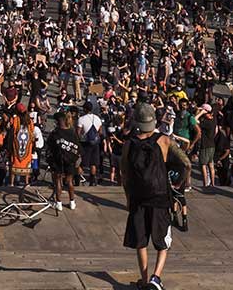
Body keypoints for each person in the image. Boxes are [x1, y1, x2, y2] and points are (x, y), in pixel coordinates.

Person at [120, 103, 190, 290]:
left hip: (137, 198)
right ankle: (155, 278)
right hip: (160, 197)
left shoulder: (129, 143)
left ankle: (144, 279)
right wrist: (178, 183)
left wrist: (128, 197)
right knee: (162, 242)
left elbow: (124, 173)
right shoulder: (164, 141)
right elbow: (186, 163)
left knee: (140, 241)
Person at [46, 110, 81, 211]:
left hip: (58, 161)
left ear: (59, 121)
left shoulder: (55, 133)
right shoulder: (72, 132)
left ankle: (59, 203)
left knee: (58, 182)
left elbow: (49, 146)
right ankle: (72, 202)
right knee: (69, 182)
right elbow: (78, 149)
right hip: (70, 161)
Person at [77, 101, 104, 186]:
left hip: (85, 143)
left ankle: (79, 179)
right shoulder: (97, 118)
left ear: (85, 109)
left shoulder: (81, 119)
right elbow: (100, 132)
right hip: (95, 143)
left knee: (82, 163)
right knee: (93, 163)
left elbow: (78, 133)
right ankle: (93, 180)